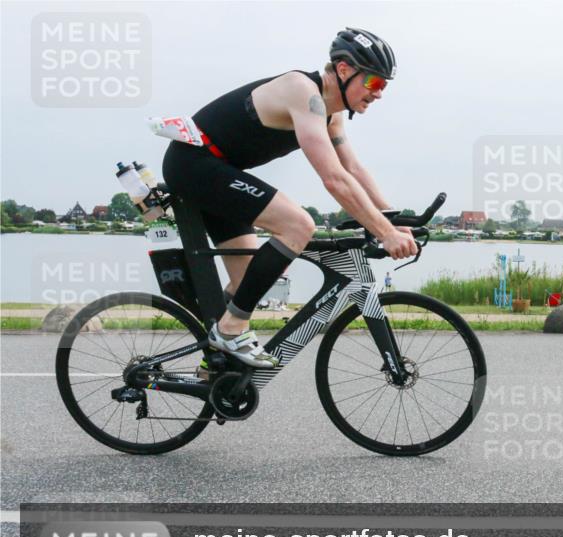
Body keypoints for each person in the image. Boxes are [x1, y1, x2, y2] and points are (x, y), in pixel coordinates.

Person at [162, 27, 416, 368]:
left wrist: (392, 220)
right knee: (298, 225)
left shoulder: (332, 116)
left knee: (249, 280)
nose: (378, 93)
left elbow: (353, 168)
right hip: (193, 163)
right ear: (343, 70)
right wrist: (384, 233)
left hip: (219, 171)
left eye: (384, 85)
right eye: (373, 81)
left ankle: (215, 365)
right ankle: (231, 330)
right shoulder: (303, 92)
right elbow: (334, 178)